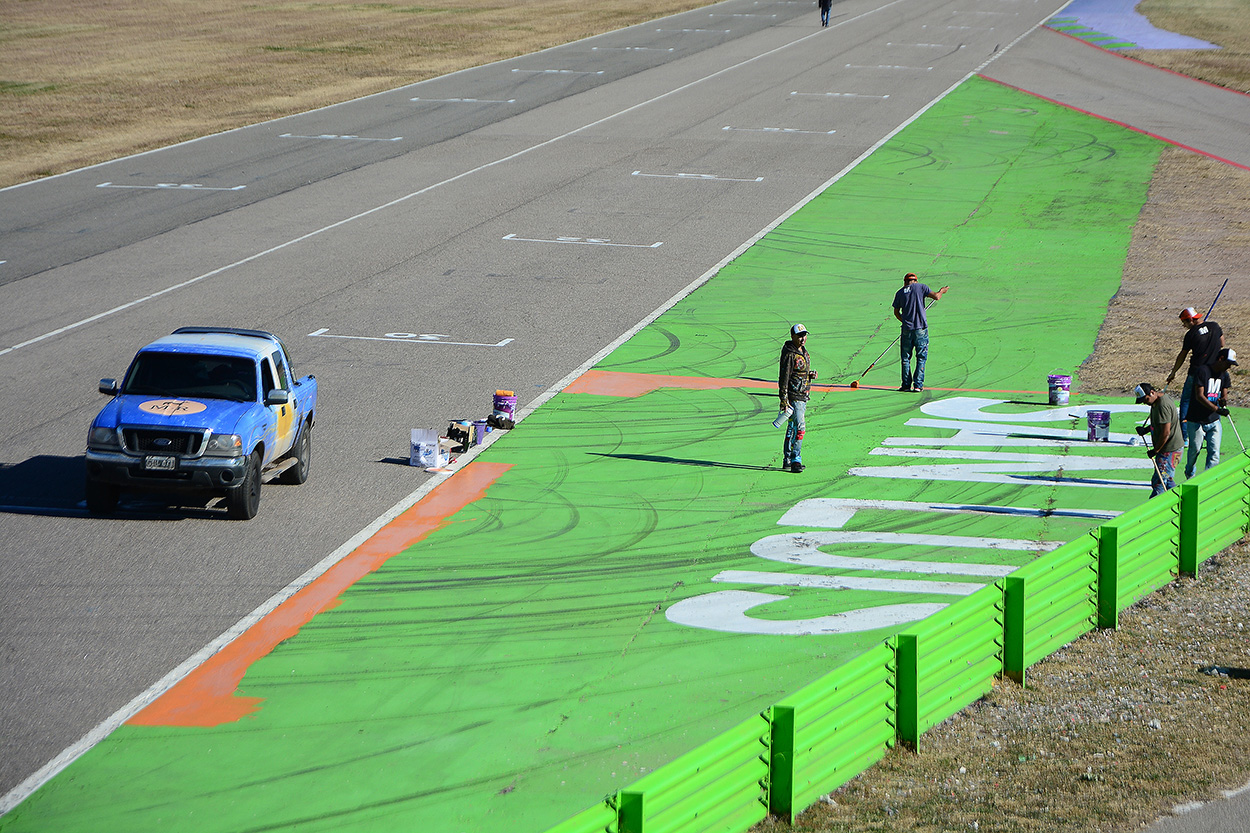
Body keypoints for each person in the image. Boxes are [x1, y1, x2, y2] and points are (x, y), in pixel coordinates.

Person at [1165, 306, 1223, 429]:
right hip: (1213, 373)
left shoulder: (1191, 334)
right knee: (1212, 399)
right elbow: (1222, 343)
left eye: (1184, 323)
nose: (1184, 326)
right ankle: (1213, 428)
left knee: (1187, 401)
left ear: (1191, 320)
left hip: (1196, 373)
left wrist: (1173, 372)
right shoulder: (1215, 326)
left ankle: (1185, 435)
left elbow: (1182, 355)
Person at [892, 272, 948, 392]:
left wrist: (905, 321)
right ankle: (918, 385)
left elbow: (896, 312)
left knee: (905, 358)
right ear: (915, 281)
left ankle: (906, 385)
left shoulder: (900, 293)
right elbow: (937, 297)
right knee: (921, 357)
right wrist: (942, 291)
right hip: (920, 329)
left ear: (905, 282)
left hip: (907, 329)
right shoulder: (921, 287)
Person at [1185, 347, 1236, 479]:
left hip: (1213, 420)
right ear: (1221, 359)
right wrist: (1216, 409)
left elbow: (1224, 393)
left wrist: (1223, 401)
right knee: (1194, 451)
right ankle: (1190, 474)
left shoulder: (1224, 375)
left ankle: (1209, 478)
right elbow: (1199, 396)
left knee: (1214, 453)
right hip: (1196, 419)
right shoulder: (1203, 371)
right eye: (1228, 363)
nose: (1229, 367)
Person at [778, 323, 817, 473]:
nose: (803, 339)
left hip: (803, 395)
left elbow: (798, 371)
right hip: (794, 396)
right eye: (800, 336)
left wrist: (809, 375)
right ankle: (796, 459)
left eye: (804, 335)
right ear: (792, 336)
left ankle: (787, 459)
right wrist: (784, 399)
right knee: (800, 427)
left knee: (792, 428)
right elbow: (784, 376)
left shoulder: (802, 351)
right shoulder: (790, 354)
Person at [1134, 383, 1182, 497]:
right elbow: (1158, 424)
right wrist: (1145, 430)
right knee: (1167, 478)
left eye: (1145, 399)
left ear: (1152, 392)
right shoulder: (1156, 402)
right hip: (1166, 449)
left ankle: (1154, 509)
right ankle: (1179, 501)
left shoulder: (1162, 405)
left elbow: (1166, 433)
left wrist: (1155, 450)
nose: (1145, 403)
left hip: (1170, 450)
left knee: (1159, 482)